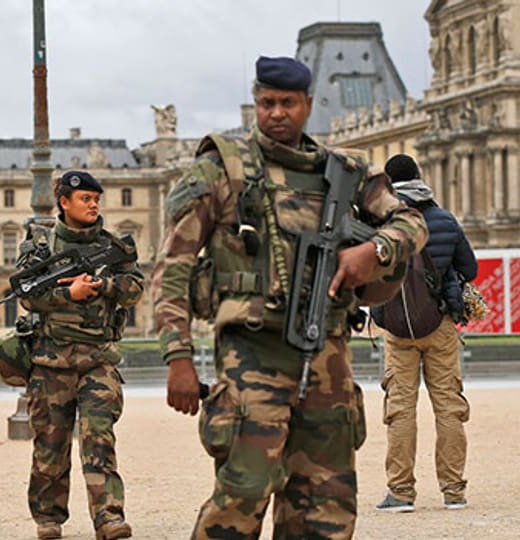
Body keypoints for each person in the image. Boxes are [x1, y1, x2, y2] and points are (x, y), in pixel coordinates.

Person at [151, 56, 428, 539]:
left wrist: (374, 248)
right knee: (243, 491)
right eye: (266, 103)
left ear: (307, 105)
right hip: (252, 353)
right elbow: (171, 267)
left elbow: (412, 221)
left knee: (327, 501)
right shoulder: (221, 169)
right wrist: (177, 356)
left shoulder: (344, 172)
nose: (275, 113)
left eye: (286, 103)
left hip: (328, 355)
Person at [17, 170, 143, 540]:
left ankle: (108, 516)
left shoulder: (114, 247)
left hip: (98, 360)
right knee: (50, 444)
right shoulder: (41, 246)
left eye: (95, 199)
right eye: (85, 199)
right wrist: (66, 296)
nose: (93, 205)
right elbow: (26, 295)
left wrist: (102, 286)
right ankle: (48, 518)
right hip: (50, 362)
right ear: (64, 202)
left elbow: (135, 289)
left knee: (99, 437)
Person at [371, 154, 477, 512]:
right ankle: (454, 491)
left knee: (400, 409)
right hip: (440, 323)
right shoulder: (444, 219)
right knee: (448, 406)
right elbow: (470, 268)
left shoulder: (380, 221)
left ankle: (400, 492)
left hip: (397, 326)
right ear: (419, 177)